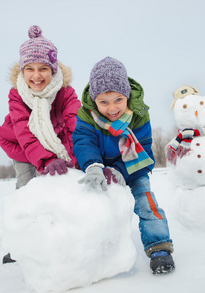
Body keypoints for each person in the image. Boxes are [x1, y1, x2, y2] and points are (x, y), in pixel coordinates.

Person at [72, 57, 175, 274]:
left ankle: (159, 246)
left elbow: (144, 149)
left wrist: (120, 170)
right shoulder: (87, 116)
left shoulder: (138, 115)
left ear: (127, 95)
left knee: (145, 200)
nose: (112, 108)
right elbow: (84, 141)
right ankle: (93, 252)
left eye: (118, 100)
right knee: (91, 204)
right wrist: (93, 166)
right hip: (98, 167)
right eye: (104, 102)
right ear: (94, 101)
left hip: (133, 166)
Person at [0, 25, 81, 263]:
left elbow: (76, 126)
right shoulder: (17, 95)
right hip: (20, 146)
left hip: (53, 142)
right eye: (30, 69)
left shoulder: (65, 93)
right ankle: (18, 245)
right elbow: (24, 131)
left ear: (53, 70)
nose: (37, 75)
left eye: (43, 68)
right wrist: (45, 160)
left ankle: (56, 237)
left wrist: (77, 158)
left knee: (58, 184)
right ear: (22, 71)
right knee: (27, 189)